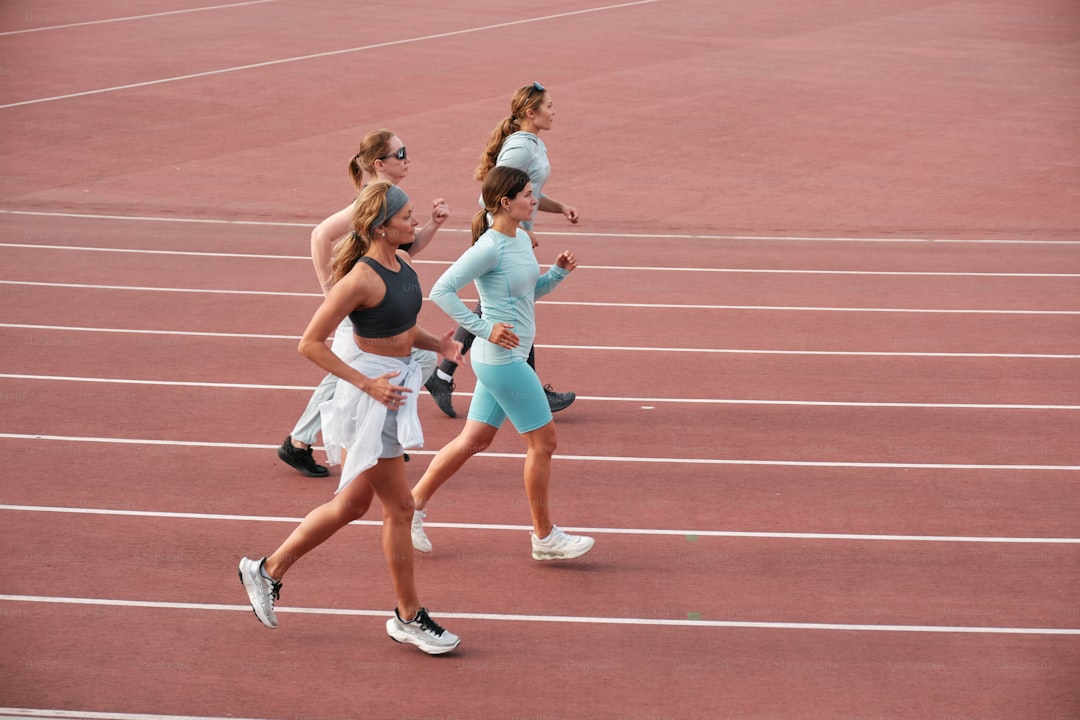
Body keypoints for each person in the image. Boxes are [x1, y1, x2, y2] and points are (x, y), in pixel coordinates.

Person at [240, 180, 462, 654]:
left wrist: (437, 345)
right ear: (382, 227)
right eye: (406, 218)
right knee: (400, 509)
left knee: (353, 506)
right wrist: (368, 385)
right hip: (371, 398)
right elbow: (309, 343)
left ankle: (266, 570)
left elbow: (401, 326)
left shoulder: (401, 263)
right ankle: (408, 616)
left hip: (391, 390)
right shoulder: (359, 279)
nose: (414, 222)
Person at [409, 166, 594, 561]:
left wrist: (557, 274)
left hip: (503, 356)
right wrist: (484, 328)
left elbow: (529, 293)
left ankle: (413, 505)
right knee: (544, 442)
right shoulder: (489, 246)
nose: (534, 200)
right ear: (505, 203)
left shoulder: (522, 239)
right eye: (528, 195)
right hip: (502, 358)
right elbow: (441, 289)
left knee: (473, 440)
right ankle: (544, 537)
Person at [278, 129, 450, 477]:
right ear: (379, 163)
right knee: (354, 373)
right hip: (363, 300)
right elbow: (320, 234)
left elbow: (402, 251)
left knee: (405, 362)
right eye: (401, 153)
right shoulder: (370, 200)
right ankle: (307, 440)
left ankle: (327, 440)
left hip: (377, 293)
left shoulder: (390, 198)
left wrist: (433, 224)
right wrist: (331, 289)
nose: (407, 159)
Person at [424, 82, 577, 419]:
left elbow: (530, 191)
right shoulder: (520, 149)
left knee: (502, 305)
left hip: (517, 234)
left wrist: (559, 206)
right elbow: (488, 196)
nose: (554, 111)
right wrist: (519, 228)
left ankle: (443, 375)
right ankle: (528, 386)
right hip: (507, 235)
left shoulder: (535, 145)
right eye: (549, 105)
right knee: (508, 308)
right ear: (530, 113)